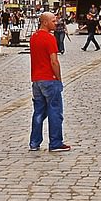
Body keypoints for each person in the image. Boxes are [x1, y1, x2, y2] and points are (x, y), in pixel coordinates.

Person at [29, 12, 70, 152]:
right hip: (49, 79)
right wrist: (59, 78)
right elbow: (54, 61)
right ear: (45, 22)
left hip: (36, 80)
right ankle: (55, 142)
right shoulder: (49, 38)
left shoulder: (33, 37)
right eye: (53, 21)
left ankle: (34, 142)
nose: (56, 23)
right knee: (55, 111)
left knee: (38, 112)